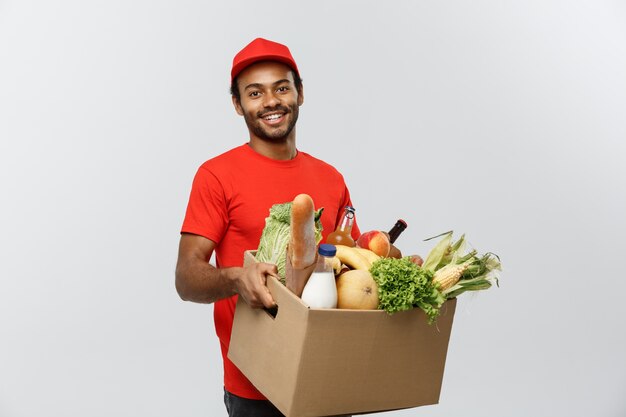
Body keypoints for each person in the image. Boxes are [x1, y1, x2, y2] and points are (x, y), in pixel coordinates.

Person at [175, 38, 360, 417]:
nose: (271, 101)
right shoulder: (216, 176)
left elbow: (352, 266)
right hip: (255, 384)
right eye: (255, 93)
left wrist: (394, 265)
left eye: (281, 87)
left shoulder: (331, 178)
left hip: (329, 378)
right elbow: (186, 277)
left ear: (300, 93)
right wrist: (236, 278)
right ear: (237, 104)